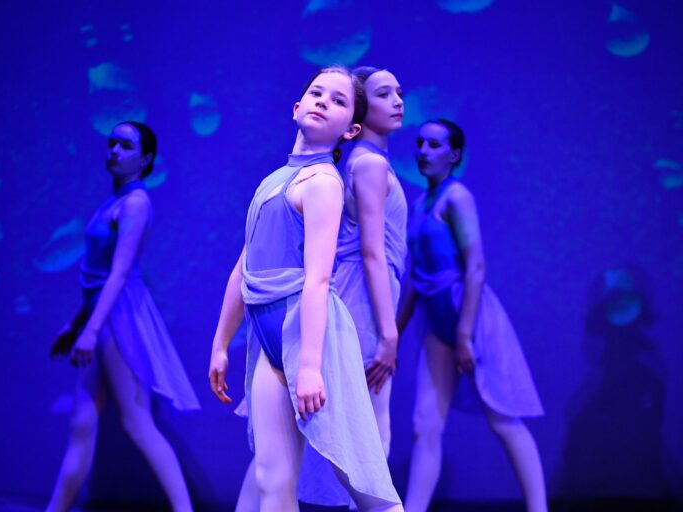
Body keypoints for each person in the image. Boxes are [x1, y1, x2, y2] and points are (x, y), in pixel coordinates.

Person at [208, 67, 403, 512]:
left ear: (351, 129)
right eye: (316, 93)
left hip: (313, 339)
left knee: (363, 481)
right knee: (272, 479)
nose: (321, 102)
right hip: (270, 343)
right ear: (296, 107)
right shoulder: (271, 183)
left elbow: (318, 277)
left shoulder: (324, 183)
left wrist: (311, 365)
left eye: (337, 101)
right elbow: (244, 268)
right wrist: (221, 342)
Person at [47, 121, 200, 512]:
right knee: (81, 422)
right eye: (112, 143)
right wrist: (75, 323)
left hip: (119, 320)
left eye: (125, 146)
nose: (114, 150)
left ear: (145, 158)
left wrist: (91, 329)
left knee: (137, 420)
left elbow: (118, 272)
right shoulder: (114, 202)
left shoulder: (135, 203)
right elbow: (95, 277)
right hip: (101, 316)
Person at [397, 119, 547, 512]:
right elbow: (415, 275)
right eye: (419, 144)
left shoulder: (457, 197)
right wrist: (392, 333)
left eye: (434, 145)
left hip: (471, 316)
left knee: (502, 418)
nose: (423, 151)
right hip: (436, 323)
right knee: (423, 425)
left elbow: (476, 266)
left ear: (455, 155)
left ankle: (538, 507)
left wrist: (465, 334)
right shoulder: (418, 205)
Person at [297, 66, 408, 508]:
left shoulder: (362, 162)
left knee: (355, 421)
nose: (398, 101)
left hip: (365, 294)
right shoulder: (370, 163)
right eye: (384, 94)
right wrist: (389, 332)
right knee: (369, 424)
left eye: (400, 92)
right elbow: (372, 252)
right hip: (362, 297)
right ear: (362, 110)